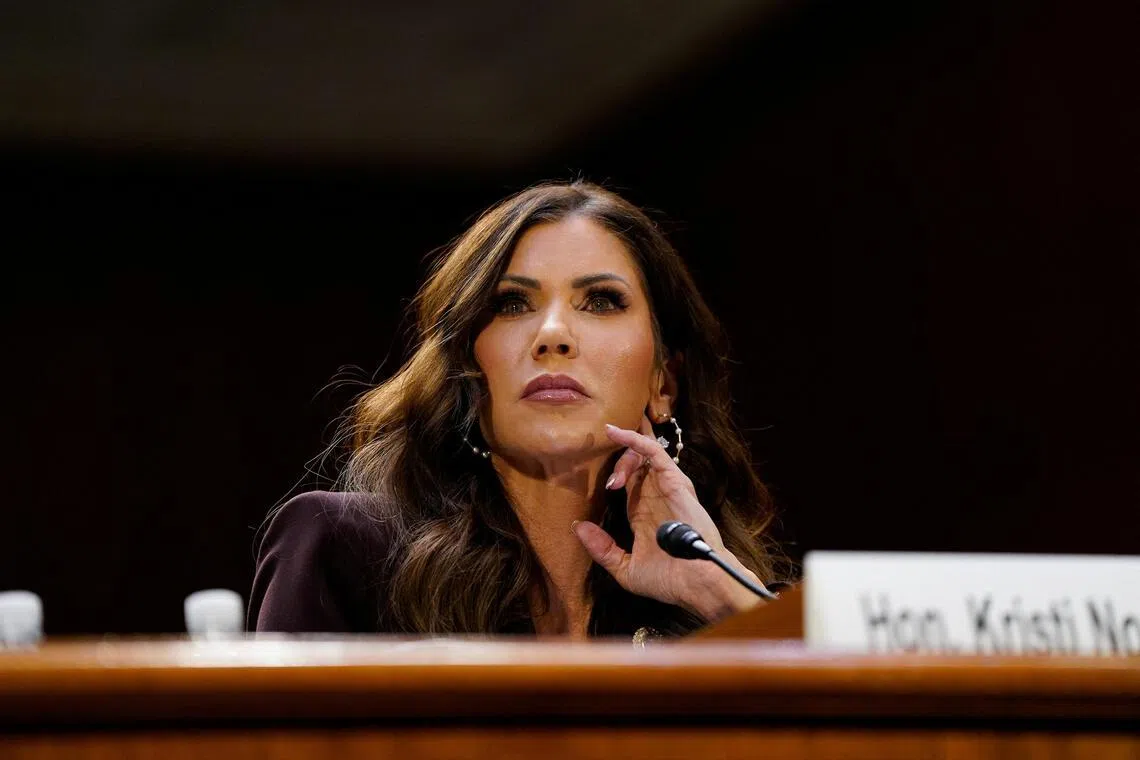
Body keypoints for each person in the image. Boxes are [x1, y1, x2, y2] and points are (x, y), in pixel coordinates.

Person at [249, 181, 788, 639]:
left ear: (662, 383)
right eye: (511, 304)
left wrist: (717, 591)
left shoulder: (712, 605)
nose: (552, 334)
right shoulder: (345, 554)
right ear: (466, 368)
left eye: (601, 301)